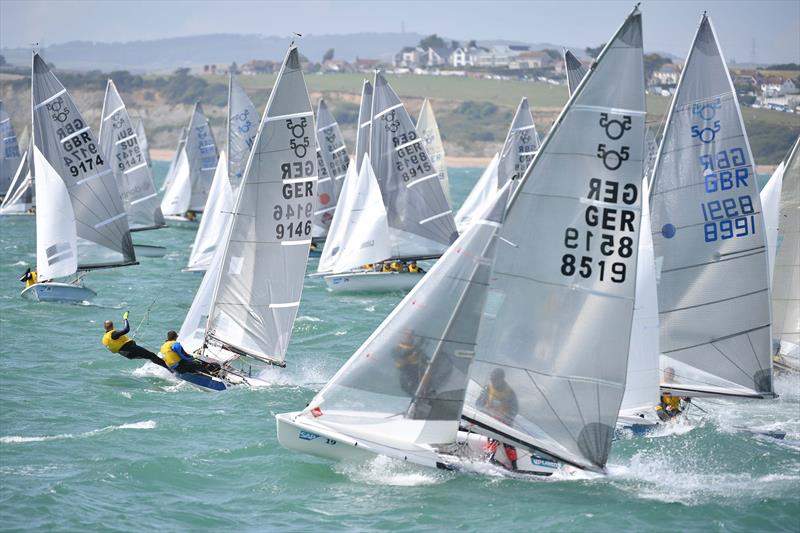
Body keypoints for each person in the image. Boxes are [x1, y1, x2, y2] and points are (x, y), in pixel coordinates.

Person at [476, 368, 519, 470]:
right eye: (491, 379)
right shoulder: (488, 388)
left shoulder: (509, 392)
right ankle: (489, 459)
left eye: (495, 379)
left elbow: (515, 409)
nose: (493, 381)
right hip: (491, 421)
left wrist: (507, 418)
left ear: (501, 379)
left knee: (508, 443)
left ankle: (514, 465)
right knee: (493, 438)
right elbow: (478, 404)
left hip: (504, 422)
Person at [102, 312, 169, 370]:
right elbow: (126, 329)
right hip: (131, 350)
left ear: (105, 327)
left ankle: (167, 367)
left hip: (126, 354)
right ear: (112, 326)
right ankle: (170, 369)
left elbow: (116, 344)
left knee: (150, 356)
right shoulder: (113, 334)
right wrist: (125, 319)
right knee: (151, 355)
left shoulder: (105, 338)